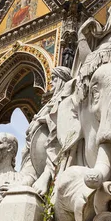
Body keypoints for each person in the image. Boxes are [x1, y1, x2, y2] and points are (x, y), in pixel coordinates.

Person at [20, 67, 73, 198]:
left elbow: (64, 121)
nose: (51, 83)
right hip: (32, 153)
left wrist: (45, 119)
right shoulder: (51, 101)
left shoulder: (65, 99)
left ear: (62, 81)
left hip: (52, 148)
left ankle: (46, 176)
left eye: (54, 79)